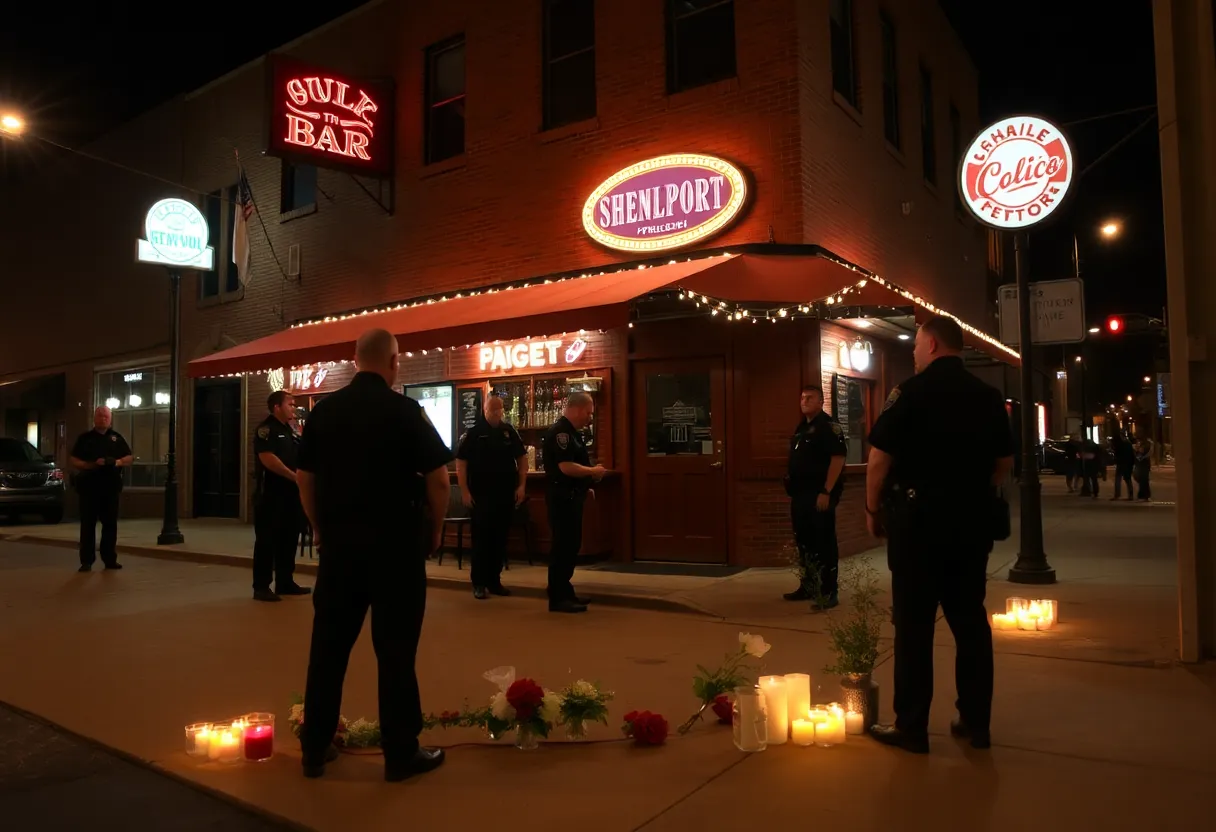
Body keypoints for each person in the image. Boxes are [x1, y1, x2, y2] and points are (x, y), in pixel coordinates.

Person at [296, 328, 453, 782]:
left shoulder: (323, 412)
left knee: (327, 649)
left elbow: (305, 478)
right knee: (396, 652)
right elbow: (439, 480)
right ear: (394, 362)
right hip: (396, 552)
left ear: (354, 359)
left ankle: (314, 748)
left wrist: (320, 528)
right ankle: (401, 754)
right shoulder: (406, 412)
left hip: (341, 550)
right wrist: (436, 530)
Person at [864, 315, 1014, 754]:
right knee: (970, 623)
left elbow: (877, 461)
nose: (912, 353)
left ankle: (912, 728)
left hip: (918, 528)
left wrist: (873, 510)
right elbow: (1003, 462)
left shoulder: (909, 393)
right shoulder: (988, 397)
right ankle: (976, 722)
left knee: (913, 628)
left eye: (915, 345)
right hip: (970, 528)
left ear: (931, 345)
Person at [456, 395, 528, 600]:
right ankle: (478, 582)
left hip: (505, 494)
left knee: (499, 539)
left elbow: (522, 459)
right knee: (481, 540)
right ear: (485, 410)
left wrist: (522, 485)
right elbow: (461, 463)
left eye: (500, 411)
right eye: (493, 411)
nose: (497, 414)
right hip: (481, 495)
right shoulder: (474, 433)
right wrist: (464, 491)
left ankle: (494, 581)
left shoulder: (508, 432)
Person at [782, 385, 847, 608]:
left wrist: (826, 491)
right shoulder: (802, 428)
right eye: (802, 398)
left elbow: (838, 460)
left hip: (819, 494)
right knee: (804, 542)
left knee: (824, 543)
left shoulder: (829, 427)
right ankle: (808, 586)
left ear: (821, 402)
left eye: (810, 398)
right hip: (800, 495)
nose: (804, 401)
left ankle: (829, 592)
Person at [541, 391, 605, 614]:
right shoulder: (561, 434)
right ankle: (557, 598)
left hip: (572, 497)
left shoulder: (573, 433)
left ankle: (566, 591)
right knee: (563, 547)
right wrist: (593, 471)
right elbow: (565, 467)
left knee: (571, 546)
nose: (589, 418)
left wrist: (586, 483)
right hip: (562, 499)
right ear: (577, 409)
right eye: (588, 413)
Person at [252, 391, 310, 602]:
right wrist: (294, 476)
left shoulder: (291, 430)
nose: (294, 408)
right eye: (290, 405)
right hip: (271, 495)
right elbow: (268, 459)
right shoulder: (266, 430)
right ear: (277, 407)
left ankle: (285, 581)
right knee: (267, 540)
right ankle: (261, 586)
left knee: (289, 538)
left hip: (291, 496)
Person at [69, 406, 133, 572]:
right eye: (100, 415)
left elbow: (129, 457)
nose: (103, 418)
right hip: (89, 488)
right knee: (88, 525)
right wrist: (89, 465)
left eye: (106, 416)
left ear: (110, 419)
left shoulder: (116, 438)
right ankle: (87, 561)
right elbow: (74, 459)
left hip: (110, 488)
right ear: (94, 418)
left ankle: (110, 559)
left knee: (110, 525)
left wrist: (116, 462)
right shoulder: (85, 438)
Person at [1110, 434, 1135, 501]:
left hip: (1121, 463)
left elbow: (1117, 453)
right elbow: (1132, 454)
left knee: (1118, 479)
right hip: (1127, 463)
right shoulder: (1128, 444)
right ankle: (1130, 495)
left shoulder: (1120, 444)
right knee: (1127, 480)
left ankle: (1117, 495)